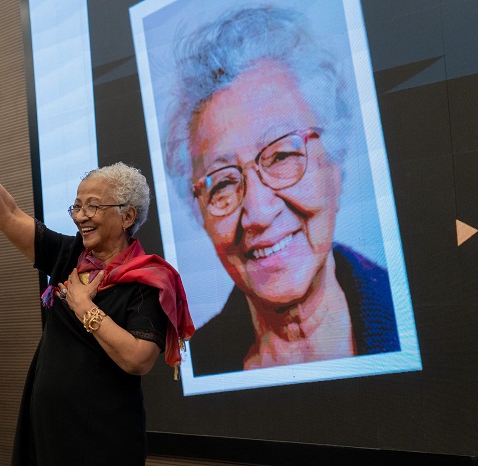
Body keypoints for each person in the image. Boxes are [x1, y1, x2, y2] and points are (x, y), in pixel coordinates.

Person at [0, 127, 194, 465]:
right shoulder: (70, 255)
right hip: (48, 429)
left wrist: (84, 307)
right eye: (77, 206)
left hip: (103, 437)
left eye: (93, 207)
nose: (80, 216)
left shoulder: (150, 280)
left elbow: (138, 359)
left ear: (127, 216)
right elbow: (7, 215)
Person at [163, 5, 400, 376]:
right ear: (202, 215)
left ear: (333, 168)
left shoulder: (406, 309)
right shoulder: (196, 362)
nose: (258, 212)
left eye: (282, 155)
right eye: (223, 182)